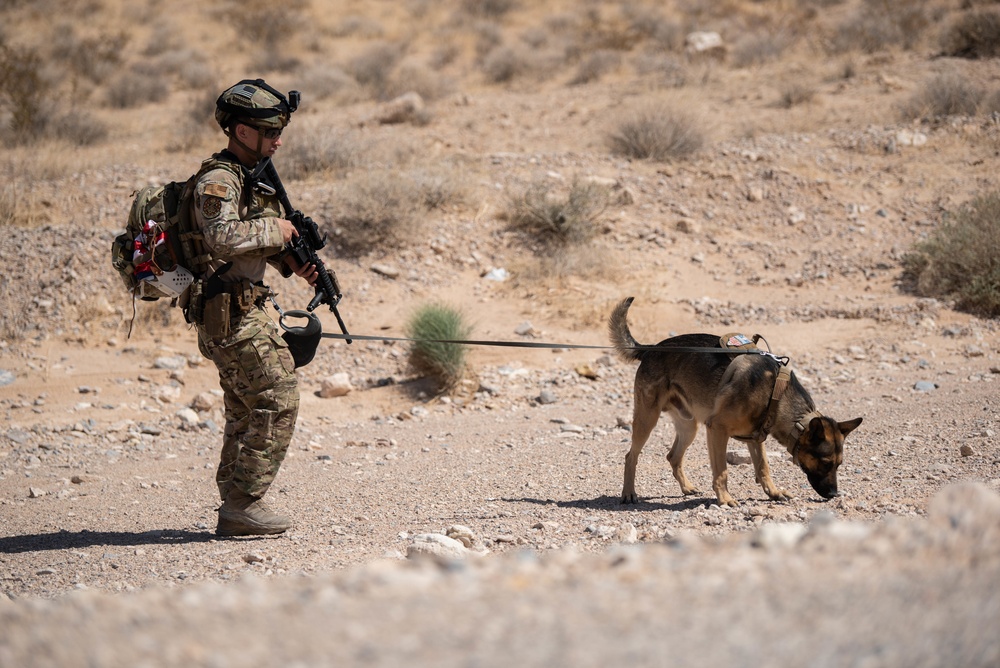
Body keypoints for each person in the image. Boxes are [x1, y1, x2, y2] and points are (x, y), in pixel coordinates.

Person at [189, 78, 318, 537]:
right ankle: (242, 505)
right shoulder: (219, 179)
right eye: (271, 131)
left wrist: (292, 261)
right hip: (227, 312)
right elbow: (220, 236)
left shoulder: (251, 178)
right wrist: (276, 233)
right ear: (243, 132)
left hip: (239, 308)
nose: (278, 140)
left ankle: (236, 502)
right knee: (277, 396)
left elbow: (243, 245)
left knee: (245, 407)